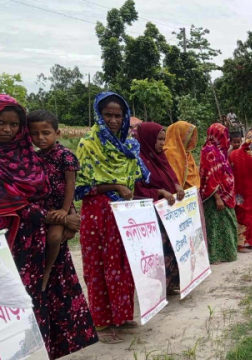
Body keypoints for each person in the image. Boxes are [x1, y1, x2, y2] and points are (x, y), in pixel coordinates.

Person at [0, 95, 99, 357]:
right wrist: (62, 218)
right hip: (10, 244)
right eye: (1, 123)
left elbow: (63, 187)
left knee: (44, 298)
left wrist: (69, 213)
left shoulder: (28, 155)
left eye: (13, 125)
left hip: (40, 240)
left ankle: (43, 351)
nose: (8, 130)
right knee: (13, 304)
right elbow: (17, 205)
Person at [75, 92, 150, 344]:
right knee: (99, 266)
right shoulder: (88, 144)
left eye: (118, 115)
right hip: (98, 212)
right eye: (108, 115)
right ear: (99, 115)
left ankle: (122, 315)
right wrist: (115, 186)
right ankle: (101, 322)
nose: (113, 120)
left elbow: (137, 177)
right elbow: (82, 186)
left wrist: (123, 188)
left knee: (122, 264)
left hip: (124, 213)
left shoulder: (128, 146)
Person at [27, 110, 79, 291]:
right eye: (35, 133)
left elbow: (71, 184)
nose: (40, 138)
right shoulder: (35, 157)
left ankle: (47, 271)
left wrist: (66, 210)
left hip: (59, 206)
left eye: (46, 133)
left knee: (55, 237)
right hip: (43, 206)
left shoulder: (66, 155)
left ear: (57, 133)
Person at [133, 122, 185, 294]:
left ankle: (172, 284)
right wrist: (160, 192)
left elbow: (170, 176)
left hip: (168, 213)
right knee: (159, 251)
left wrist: (177, 186)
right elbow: (137, 188)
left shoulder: (161, 157)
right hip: (152, 215)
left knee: (172, 247)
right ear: (148, 139)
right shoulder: (139, 160)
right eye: (158, 139)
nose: (162, 143)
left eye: (163, 139)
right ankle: (159, 288)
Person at [200, 123, 238, 263]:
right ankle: (215, 256)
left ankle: (228, 254)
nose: (227, 139)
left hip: (226, 194)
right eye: (224, 136)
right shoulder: (209, 151)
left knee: (228, 224)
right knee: (215, 227)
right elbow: (209, 176)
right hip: (215, 196)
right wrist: (217, 197)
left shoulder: (220, 150)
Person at [229, 130, 252, 251]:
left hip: (239, 191)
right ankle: (250, 241)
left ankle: (242, 242)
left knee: (241, 215)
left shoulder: (233, 154)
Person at [164, 121, 200, 190]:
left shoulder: (187, 153)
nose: (191, 139)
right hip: (181, 196)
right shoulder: (170, 153)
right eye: (188, 135)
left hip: (193, 194)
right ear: (179, 135)